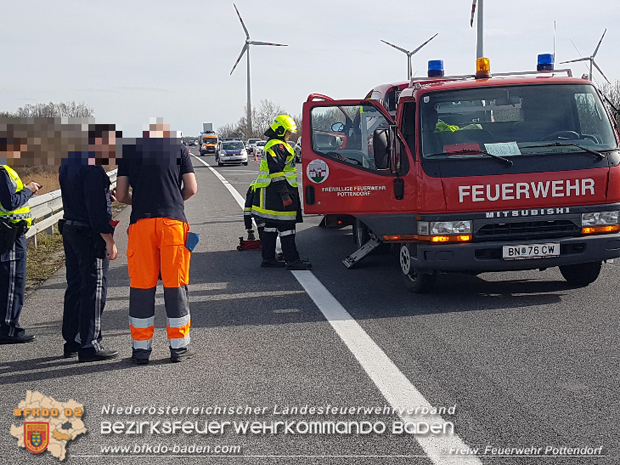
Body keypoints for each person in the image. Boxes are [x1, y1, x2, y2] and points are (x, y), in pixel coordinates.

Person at [116, 121, 198, 365]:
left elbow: (120, 195)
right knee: (175, 285)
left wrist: (140, 201)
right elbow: (192, 188)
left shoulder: (128, 151)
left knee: (142, 287)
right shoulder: (179, 149)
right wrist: (173, 201)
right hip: (172, 224)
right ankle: (179, 348)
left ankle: (141, 350)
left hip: (141, 225)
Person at [58, 124, 119, 362]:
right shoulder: (93, 170)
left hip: (70, 229)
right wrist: (109, 240)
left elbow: (79, 196)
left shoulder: (68, 163)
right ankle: (90, 344)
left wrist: (104, 193)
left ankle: (72, 341)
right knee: (94, 289)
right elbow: (96, 213)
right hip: (88, 234)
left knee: (75, 286)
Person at [251, 115, 311, 270]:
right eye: (288, 132)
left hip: (270, 194)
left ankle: (268, 259)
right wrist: (285, 195)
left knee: (270, 227)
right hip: (278, 194)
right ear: (280, 130)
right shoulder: (277, 146)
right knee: (287, 228)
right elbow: (276, 172)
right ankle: (292, 260)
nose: (289, 135)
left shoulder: (275, 145)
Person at [0, 135, 40, 344]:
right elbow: (10, 203)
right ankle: (8, 328)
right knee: (13, 282)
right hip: (10, 234)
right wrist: (29, 190)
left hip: (8, 233)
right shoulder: (2, 171)